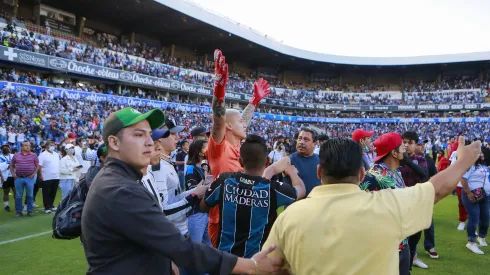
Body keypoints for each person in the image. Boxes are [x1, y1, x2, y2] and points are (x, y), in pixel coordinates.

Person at [81, 107, 282, 275]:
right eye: (138, 135)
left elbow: (144, 242)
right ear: (114, 142)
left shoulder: (119, 181)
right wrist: (249, 265)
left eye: (149, 135)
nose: (150, 142)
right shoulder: (120, 190)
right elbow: (180, 246)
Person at [262, 136, 481, 275]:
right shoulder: (388, 206)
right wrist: (463, 160)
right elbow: (438, 188)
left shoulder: (289, 217)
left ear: (319, 172)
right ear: (361, 173)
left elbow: (267, 267)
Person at [202, 135, 305, 258]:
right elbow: (301, 190)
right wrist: (293, 174)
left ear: (240, 161)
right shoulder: (273, 189)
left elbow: (204, 205)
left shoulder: (225, 180)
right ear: (267, 161)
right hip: (256, 262)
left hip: (225, 260)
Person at [207, 49, 270, 247]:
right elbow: (219, 121)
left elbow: (240, 121)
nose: (245, 124)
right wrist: (220, 87)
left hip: (245, 216)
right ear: (229, 126)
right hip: (222, 221)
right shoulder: (219, 148)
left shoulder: (241, 149)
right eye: (240, 122)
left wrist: (254, 101)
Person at [359, 133, 411, 275]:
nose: (405, 147)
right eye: (402, 145)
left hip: (402, 242)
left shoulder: (396, 172)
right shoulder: (372, 176)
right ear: (394, 152)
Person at [151, 119, 207, 239]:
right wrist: (194, 196)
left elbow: (174, 198)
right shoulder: (157, 166)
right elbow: (163, 212)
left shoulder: (165, 162)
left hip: (178, 230)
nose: (178, 137)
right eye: (172, 134)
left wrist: (195, 191)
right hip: (171, 234)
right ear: (160, 138)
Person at [400, 131, 431, 269]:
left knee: (414, 238)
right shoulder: (396, 158)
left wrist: (407, 160)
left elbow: (424, 175)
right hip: (400, 203)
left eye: (410, 143)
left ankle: (411, 262)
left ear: (415, 144)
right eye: (404, 142)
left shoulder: (420, 159)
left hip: (415, 204)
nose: (406, 145)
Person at [264, 128, 320, 196]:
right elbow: (270, 169)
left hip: (316, 204)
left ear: (314, 143)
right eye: (299, 138)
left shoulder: (321, 159)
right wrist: (262, 187)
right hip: (295, 205)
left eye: (306, 139)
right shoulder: (288, 160)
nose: (301, 142)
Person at [185, 139, 212, 252]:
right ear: (200, 152)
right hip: (196, 213)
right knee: (195, 249)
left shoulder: (202, 167)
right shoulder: (191, 169)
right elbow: (194, 191)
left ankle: (205, 270)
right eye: (207, 147)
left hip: (205, 213)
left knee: (207, 248)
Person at [461, 152, 489, 254]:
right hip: (472, 194)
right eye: (479, 152)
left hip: (484, 195)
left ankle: (481, 237)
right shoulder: (470, 165)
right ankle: (471, 242)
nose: (482, 154)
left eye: (482, 152)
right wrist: (468, 192)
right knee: (474, 217)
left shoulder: (482, 166)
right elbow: (463, 179)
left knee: (486, 218)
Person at [10, 141, 40, 217]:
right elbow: (12, 165)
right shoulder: (16, 155)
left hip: (29, 178)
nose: (28, 147)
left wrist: (33, 174)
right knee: (18, 195)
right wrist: (13, 174)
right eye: (26, 145)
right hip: (18, 178)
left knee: (30, 195)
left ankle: (29, 211)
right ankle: (18, 211)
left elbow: (37, 166)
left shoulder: (33, 155)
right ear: (21, 147)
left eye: (29, 145)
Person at [38, 140, 60, 213]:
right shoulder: (42, 155)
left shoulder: (56, 154)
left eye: (53, 145)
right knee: (46, 192)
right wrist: (40, 175)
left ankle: (51, 204)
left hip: (56, 176)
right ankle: (47, 207)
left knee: (53, 191)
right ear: (47, 146)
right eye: (51, 145)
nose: (52, 146)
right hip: (46, 176)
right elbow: (39, 166)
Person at [0, 144, 15, 212]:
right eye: (4, 148)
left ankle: (17, 205)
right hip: (5, 177)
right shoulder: (0, 157)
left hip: (14, 176)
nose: (6, 148)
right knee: (6, 191)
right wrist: (2, 178)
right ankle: (6, 206)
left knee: (16, 191)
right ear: (2, 150)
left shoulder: (13, 156)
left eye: (7, 147)